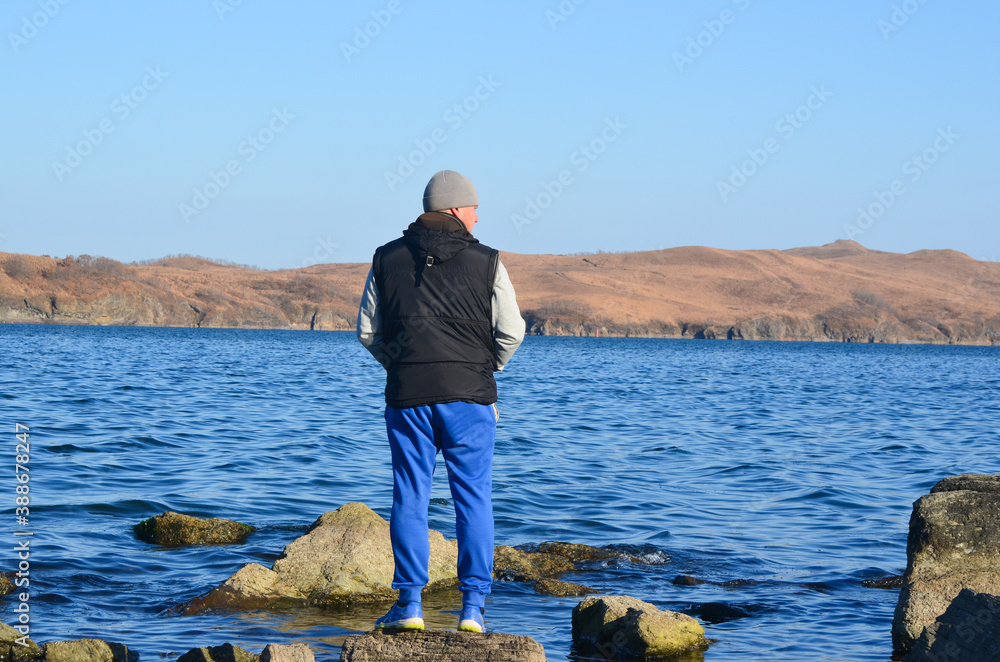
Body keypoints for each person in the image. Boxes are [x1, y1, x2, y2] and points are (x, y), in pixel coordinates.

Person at [357, 170, 525, 633]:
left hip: (407, 397)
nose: (478, 216)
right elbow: (512, 331)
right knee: (473, 499)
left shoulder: (385, 258)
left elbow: (368, 332)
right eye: (474, 207)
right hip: (470, 399)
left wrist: (401, 365)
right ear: (455, 209)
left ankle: (409, 606)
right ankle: (472, 609)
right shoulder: (488, 260)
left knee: (409, 496)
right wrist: (483, 369)